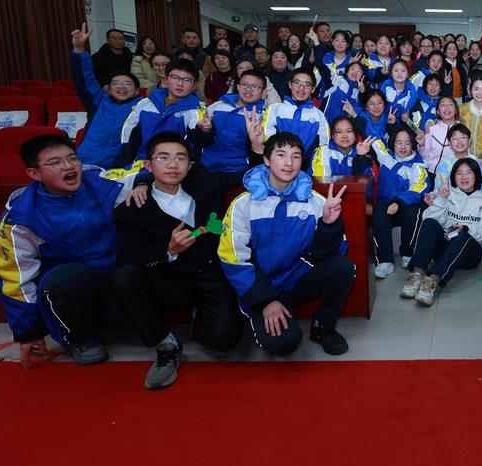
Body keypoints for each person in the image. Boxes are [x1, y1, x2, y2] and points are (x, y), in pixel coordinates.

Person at [111, 133, 242, 389]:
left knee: (224, 341)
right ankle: (166, 344)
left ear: (190, 165)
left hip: (208, 273)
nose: (173, 165)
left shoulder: (204, 182)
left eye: (180, 158)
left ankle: (201, 317)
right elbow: (129, 256)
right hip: (166, 278)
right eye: (163, 158)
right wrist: (168, 250)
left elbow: (242, 177)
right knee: (123, 277)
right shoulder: (131, 208)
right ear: (148, 165)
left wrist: (258, 149)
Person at [0, 134, 137, 369]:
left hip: (112, 277)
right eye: (55, 162)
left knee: (141, 261)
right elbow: (15, 279)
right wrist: (28, 332)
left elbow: (141, 169)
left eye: (72, 158)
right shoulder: (20, 218)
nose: (68, 166)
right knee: (69, 277)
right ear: (34, 174)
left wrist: (143, 183)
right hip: (72, 289)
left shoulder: (101, 182)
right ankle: (80, 339)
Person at [218, 133, 354, 357]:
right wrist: (266, 301)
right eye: (281, 155)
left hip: (295, 279)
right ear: (267, 160)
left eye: (296, 156)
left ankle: (323, 328)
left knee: (343, 267)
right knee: (284, 344)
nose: (289, 163)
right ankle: (258, 314)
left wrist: (329, 225)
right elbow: (232, 259)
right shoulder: (243, 204)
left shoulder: (315, 201)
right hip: (260, 286)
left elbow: (330, 254)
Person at [404, 159, 482, 306]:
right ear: (454, 177)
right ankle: (417, 274)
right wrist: (442, 200)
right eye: (459, 173)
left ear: (476, 176)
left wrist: (466, 228)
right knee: (430, 223)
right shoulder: (448, 194)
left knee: (464, 236)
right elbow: (428, 218)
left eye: (468, 173)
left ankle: (432, 282)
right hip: (448, 241)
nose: (463, 177)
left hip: (472, 252)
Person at [68, 24, 143, 168]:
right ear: (108, 89)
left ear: (136, 91)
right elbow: (83, 79)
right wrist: (79, 49)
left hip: (120, 168)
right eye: (116, 83)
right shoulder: (98, 102)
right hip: (85, 163)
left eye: (127, 83)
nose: (121, 86)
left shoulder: (142, 108)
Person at [116, 59, 205, 168]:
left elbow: (197, 145)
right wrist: (123, 166)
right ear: (166, 78)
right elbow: (129, 139)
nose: (180, 84)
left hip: (175, 168)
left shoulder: (197, 111)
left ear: (194, 85)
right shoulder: (145, 104)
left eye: (187, 80)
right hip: (141, 165)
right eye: (175, 77)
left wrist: (206, 131)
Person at [371, 130, 429, 279]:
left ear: (413, 145)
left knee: (414, 213)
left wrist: (398, 202)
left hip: (406, 204)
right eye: (399, 142)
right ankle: (385, 261)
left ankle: (408, 253)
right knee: (379, 213)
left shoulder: (418, 165)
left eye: (407, 143)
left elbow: (419, 189)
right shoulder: (386, 156)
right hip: (385, 203)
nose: (403, 147)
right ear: (393, 144)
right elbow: (373, 135)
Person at [201, 69, 268, 189]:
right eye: (244, 85)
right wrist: (203, 130)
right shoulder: (218, 106)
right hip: (206, 166)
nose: (248, 89)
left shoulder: (263, 115)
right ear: (237, 87)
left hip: (239, 171)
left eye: (255, 87)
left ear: (263, 92)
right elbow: (199, 136)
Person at [263, 69, 331, 164]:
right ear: (290, 84)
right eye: (297, 83)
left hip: (306, 165)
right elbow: (267, 137)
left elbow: (324, 144)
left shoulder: (318, 115)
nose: (301, 88)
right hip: (278, 164)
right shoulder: (275, 109)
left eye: (307, 85)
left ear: (313, 89)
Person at [310, 116, 375, 183]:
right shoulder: (324, 151)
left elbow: (365, 182)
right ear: (332, 135)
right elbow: (322, 181)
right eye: (339, 132)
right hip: (327, 189)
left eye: (349, 131)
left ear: (355, 134)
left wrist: (360, 157)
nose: (344, 136)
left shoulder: (361, 151)